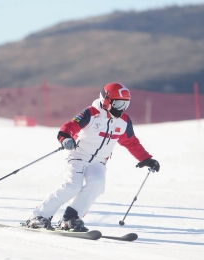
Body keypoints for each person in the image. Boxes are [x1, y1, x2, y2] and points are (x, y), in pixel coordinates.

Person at [26, 82, 160, 231]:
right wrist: (66, 137)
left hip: (98, 161)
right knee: (72, 186)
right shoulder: (91, 113)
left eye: (125, 105)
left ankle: (71, 218)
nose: (121, 109)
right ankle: (39, 216)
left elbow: (131, 142)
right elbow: (70, 126)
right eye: (119, 104)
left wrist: (146, 159)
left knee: (97, 185)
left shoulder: (124, 122)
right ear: (107, 101)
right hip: (77, 156)